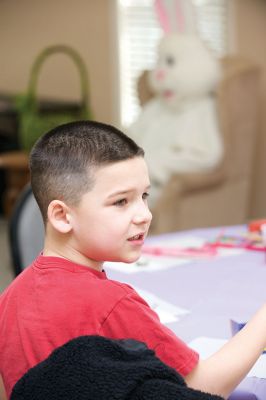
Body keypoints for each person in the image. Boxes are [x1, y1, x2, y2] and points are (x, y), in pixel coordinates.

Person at [0, 120, 266, 399]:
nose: (144, 215)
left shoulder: (9, 298)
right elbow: (201, 388)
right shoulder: (113, 305)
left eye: (144, 196)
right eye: (121, 202)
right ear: (62, 216)